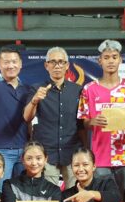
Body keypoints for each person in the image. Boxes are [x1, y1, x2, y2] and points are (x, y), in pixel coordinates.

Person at [78, 40, 125, 195]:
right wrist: (92, 122)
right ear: (99, 61)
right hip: (100, 157)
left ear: (120, 60)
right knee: (103, 200)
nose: (111, 61)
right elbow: (84, 122)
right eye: (106, 57)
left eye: (114, 57)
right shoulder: (89, 89)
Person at [23, 47, 84, 188]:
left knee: (74, 195)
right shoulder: (37, 89)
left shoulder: (77, 90)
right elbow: (27, 118)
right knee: (48, 197)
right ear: (46, 65)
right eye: (53, 62)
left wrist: (85, 148)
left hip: (72, 152)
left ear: (67, 65)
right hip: (46, 153)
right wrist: (34, 100)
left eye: (61, 62)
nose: (57, 66)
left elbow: (81, 124)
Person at [0, 45, 30, 190]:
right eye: (6, 62)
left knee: (23, 193)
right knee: (2, 192)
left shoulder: (27, 89)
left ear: (20, 64)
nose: (10, 65)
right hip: (1, 150)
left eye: (14, 61)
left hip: (25, 150)